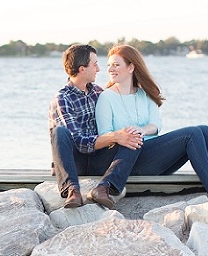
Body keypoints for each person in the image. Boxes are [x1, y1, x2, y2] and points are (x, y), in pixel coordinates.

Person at [92, 43, 208, 206]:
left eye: (116, 64)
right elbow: (104, 135)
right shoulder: (106, 98)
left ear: (131, 67)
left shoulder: (144, 94)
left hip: (154, 157)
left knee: (204, 130)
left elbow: (156, 124)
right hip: (129, 162)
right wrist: (123, 136)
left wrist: (142, 130)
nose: (111, 69)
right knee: (191, 134)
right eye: (109, 65)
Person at [48, 44, 148, 209]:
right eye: (94, 64)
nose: (99, 69)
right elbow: (79, 142)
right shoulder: (62, 98)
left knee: (131, 135)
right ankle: (72, 190)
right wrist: (115, 136)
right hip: (74, 162)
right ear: (82, 69)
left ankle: (104, 187)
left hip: (97, 158)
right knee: (59, 132)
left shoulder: (98, 92)